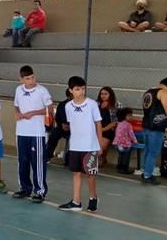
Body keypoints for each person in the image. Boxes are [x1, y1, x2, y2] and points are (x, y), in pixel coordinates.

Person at [58, 76, 103, 213]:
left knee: (90, 174)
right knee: (76, 173)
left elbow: (98, 123)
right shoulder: (68, 106)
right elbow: (72, 124)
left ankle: (93, 197)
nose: (81, 92)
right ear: (71, 90)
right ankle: (76, 201)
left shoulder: (92, 104)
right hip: (75, 146)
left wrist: (99, 144)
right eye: (77, 89)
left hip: (90, 146)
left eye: (83, 88)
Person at [11, 65, 53, 203]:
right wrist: (17, 112)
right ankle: (25, 187)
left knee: (38, 163)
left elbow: (50, 109)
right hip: (22, 131)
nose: (31, 80)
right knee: (22, 161)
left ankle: (40, 190)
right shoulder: (18, 90)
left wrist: (33, 113)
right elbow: (16, 104)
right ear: (21, 80)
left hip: (37, 132)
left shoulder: (42, 91)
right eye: (27, 78)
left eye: (32, 77)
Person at [141, 77, 167, 185]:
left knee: (147, 151)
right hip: (156, 128)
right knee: (153, 153)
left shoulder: (148, 92)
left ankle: (145, 172)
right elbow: (166, 111)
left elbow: (155, 107)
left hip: (146, 125)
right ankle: (148, 175)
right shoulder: (163, 92)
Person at [45, 89, 72, 164]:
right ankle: (47, 156)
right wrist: (62, 125)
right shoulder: (62, 104)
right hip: (61, 127)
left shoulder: (78, 105)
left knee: (73, 140)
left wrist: (70, 125)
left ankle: (68, 160)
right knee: (53, 136)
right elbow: (57, 117)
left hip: (73, 128)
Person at [97, 87, 119, 167]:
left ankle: (102, 157)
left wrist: (102, 129)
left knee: (102, 146)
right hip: (96, 129)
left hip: (108, 130)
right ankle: (97, 158)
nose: (103, 96)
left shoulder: (115, 104)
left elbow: (114, 122)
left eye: (105, 94)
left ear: (110, 95)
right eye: (101, 94)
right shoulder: (97, 104)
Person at [113, 108, 138, 174]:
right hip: (125, 144)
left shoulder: (119, 123)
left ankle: (119, 167)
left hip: (117, 144)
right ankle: (124, 169)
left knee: (121, 155)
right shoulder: (128, 125)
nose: (131, 117)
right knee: (126, 156)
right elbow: (131, 134)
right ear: (124, 116)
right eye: (129, 115)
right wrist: (135, 141)